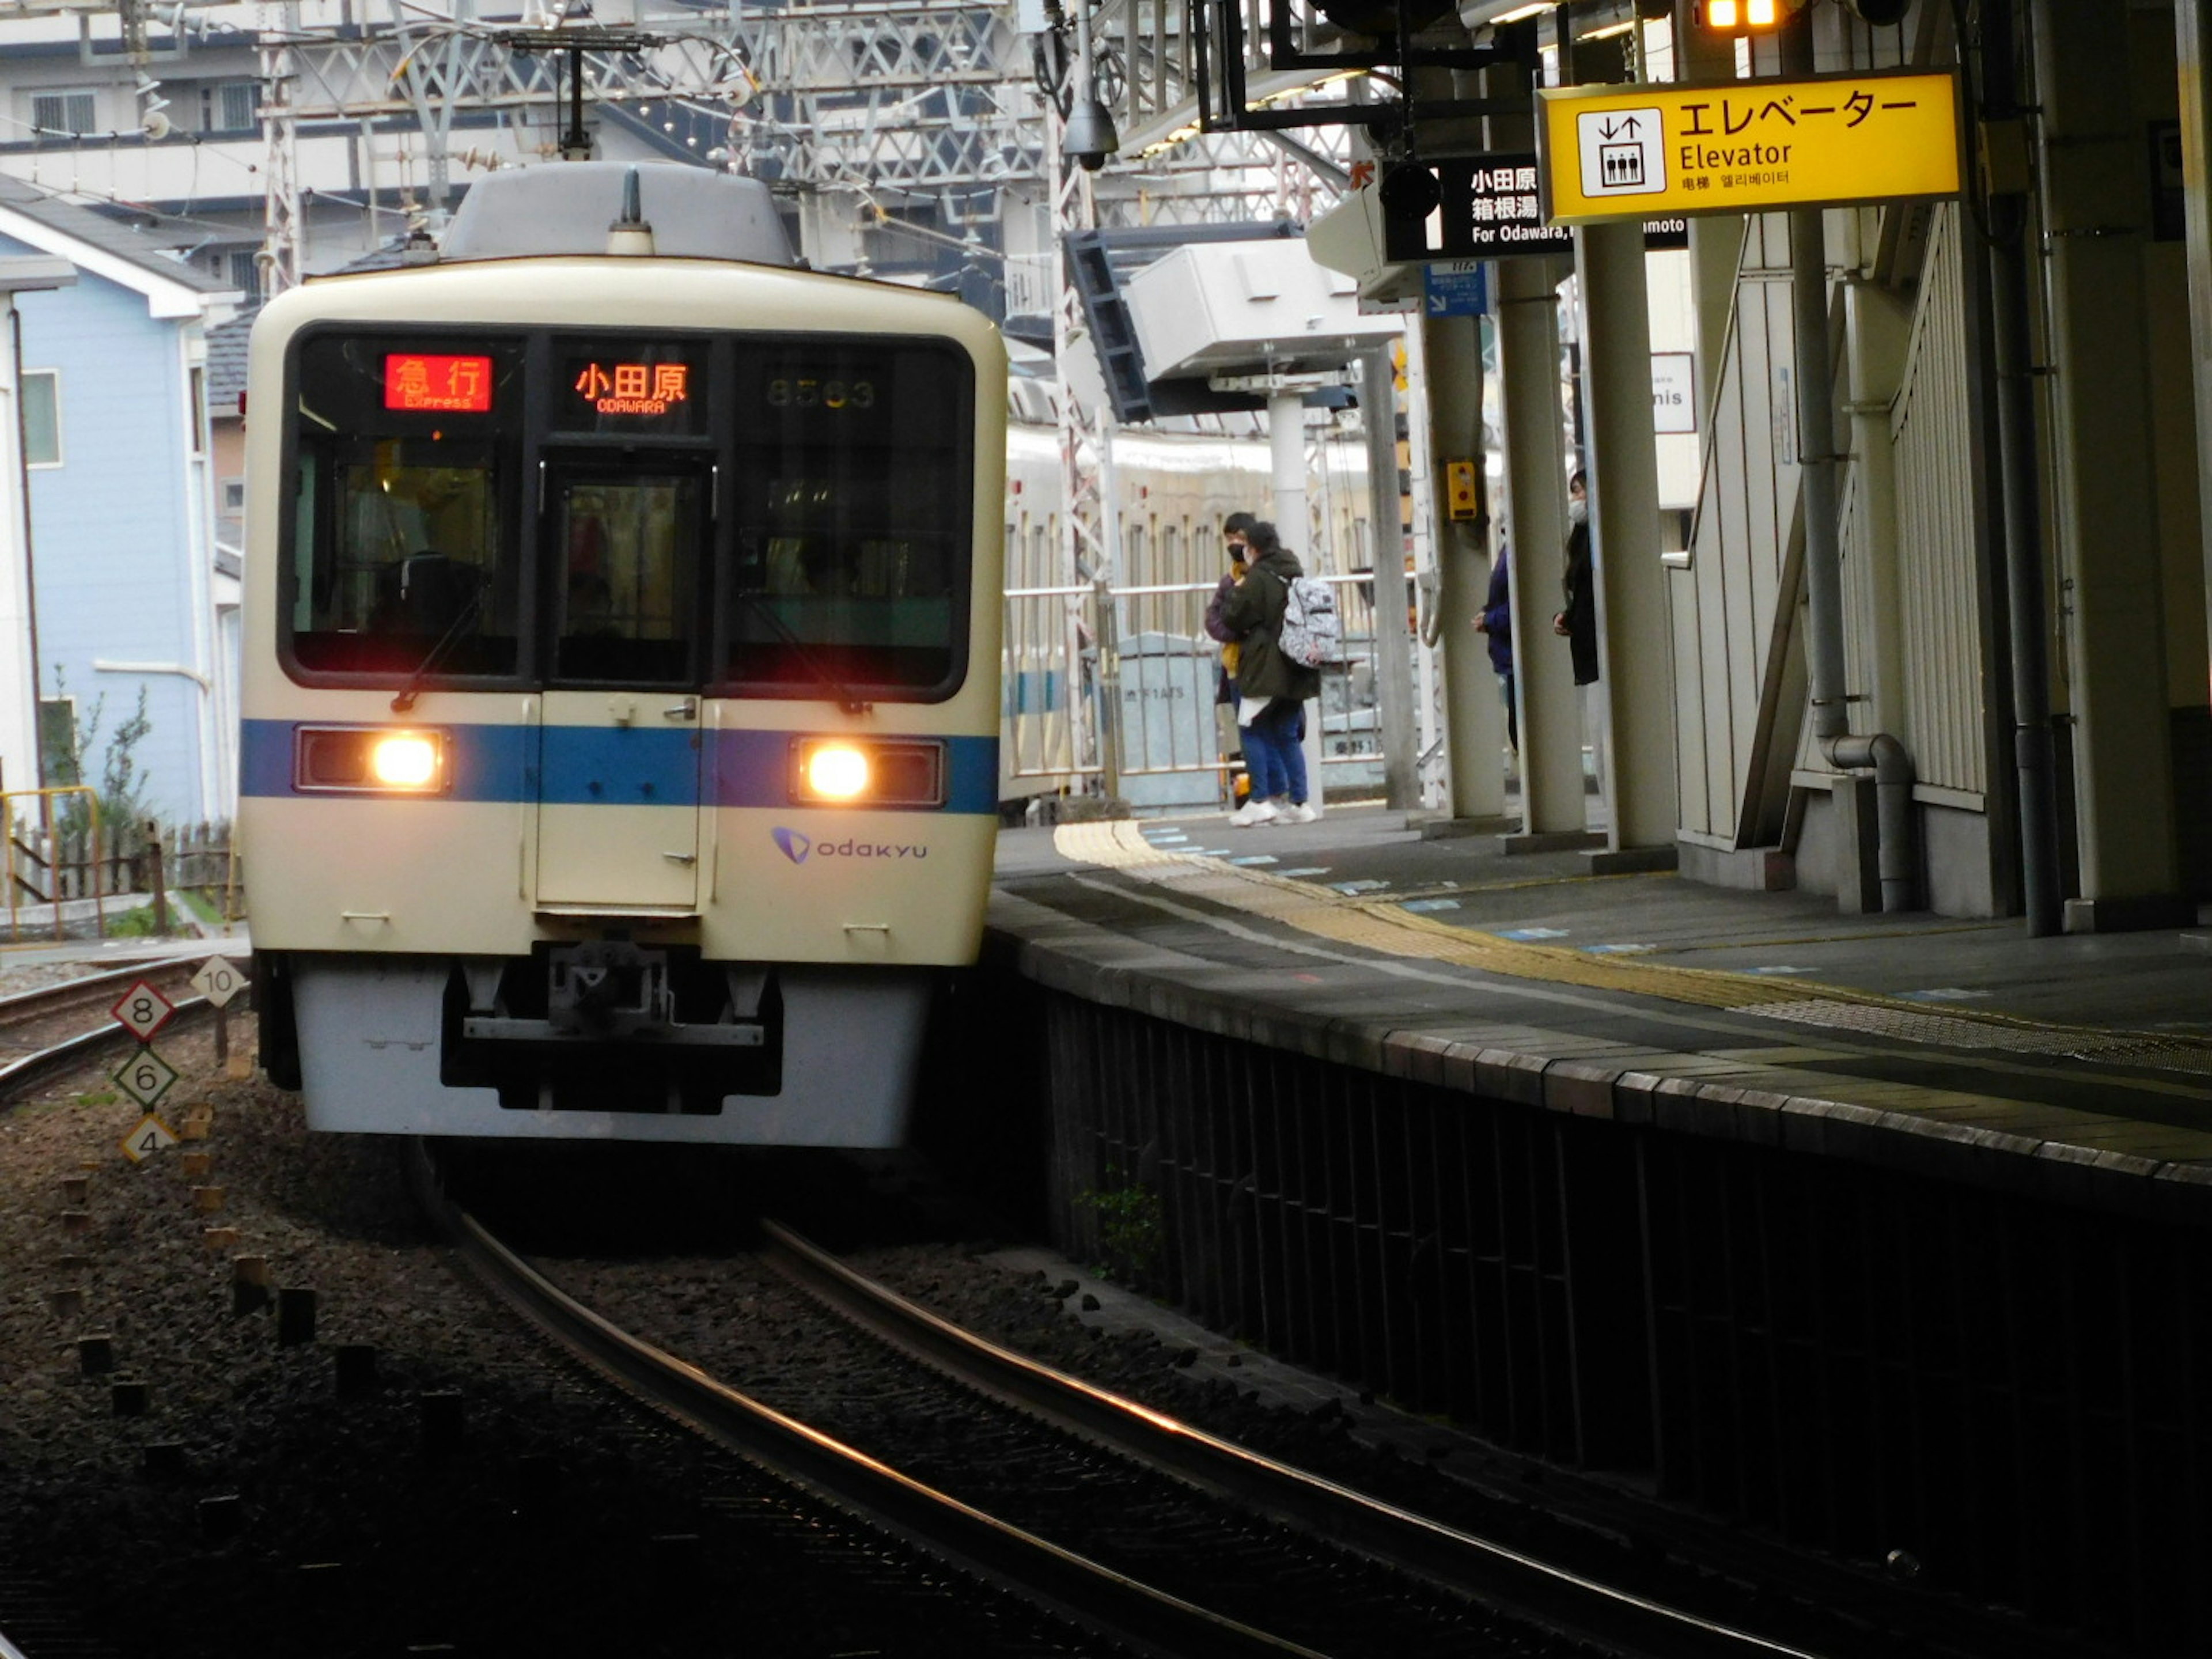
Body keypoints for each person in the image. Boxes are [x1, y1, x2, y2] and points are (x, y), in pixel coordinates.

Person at [1218, 518, 1321, 827]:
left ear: (1254, 548)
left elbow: (1234, 616)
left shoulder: (1259, 578)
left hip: (1266, 664)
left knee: (1250, 727)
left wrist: (1236, 592)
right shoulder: (1294, 570)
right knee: (1287, 733)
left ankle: (1260, 800)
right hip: (1296, 664)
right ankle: (1301, 802)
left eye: (1246, 545)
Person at [1205, 512, 1257, 781]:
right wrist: (1235, 633)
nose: (1234, 544)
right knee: (1246, 730)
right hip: (1236, 666)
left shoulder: (1263, 577)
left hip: (1260, 666)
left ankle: (1270, 794)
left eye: (1240, 538)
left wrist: (1241, 632)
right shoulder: (1229, 580)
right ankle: (1258, 795)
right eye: (1229, 539)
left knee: (1264, 732)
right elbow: (1213, 618)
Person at [1552, 470, 1599, 687]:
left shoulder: (1596, 539)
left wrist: (1571, 619)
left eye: (1578, 491)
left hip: (1595, 647)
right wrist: (1567, 617)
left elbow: (1589, 594)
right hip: (1585, 646)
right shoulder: (1581, 535)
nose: (1574, 500)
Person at [1477, 538, 1516, 752]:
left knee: (1520, 730)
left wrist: (1490, 620)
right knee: (1516, 728)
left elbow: (1522, 602)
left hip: (1515, 655)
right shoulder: (1510, 546)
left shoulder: (1518, 545)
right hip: (1509, 656)